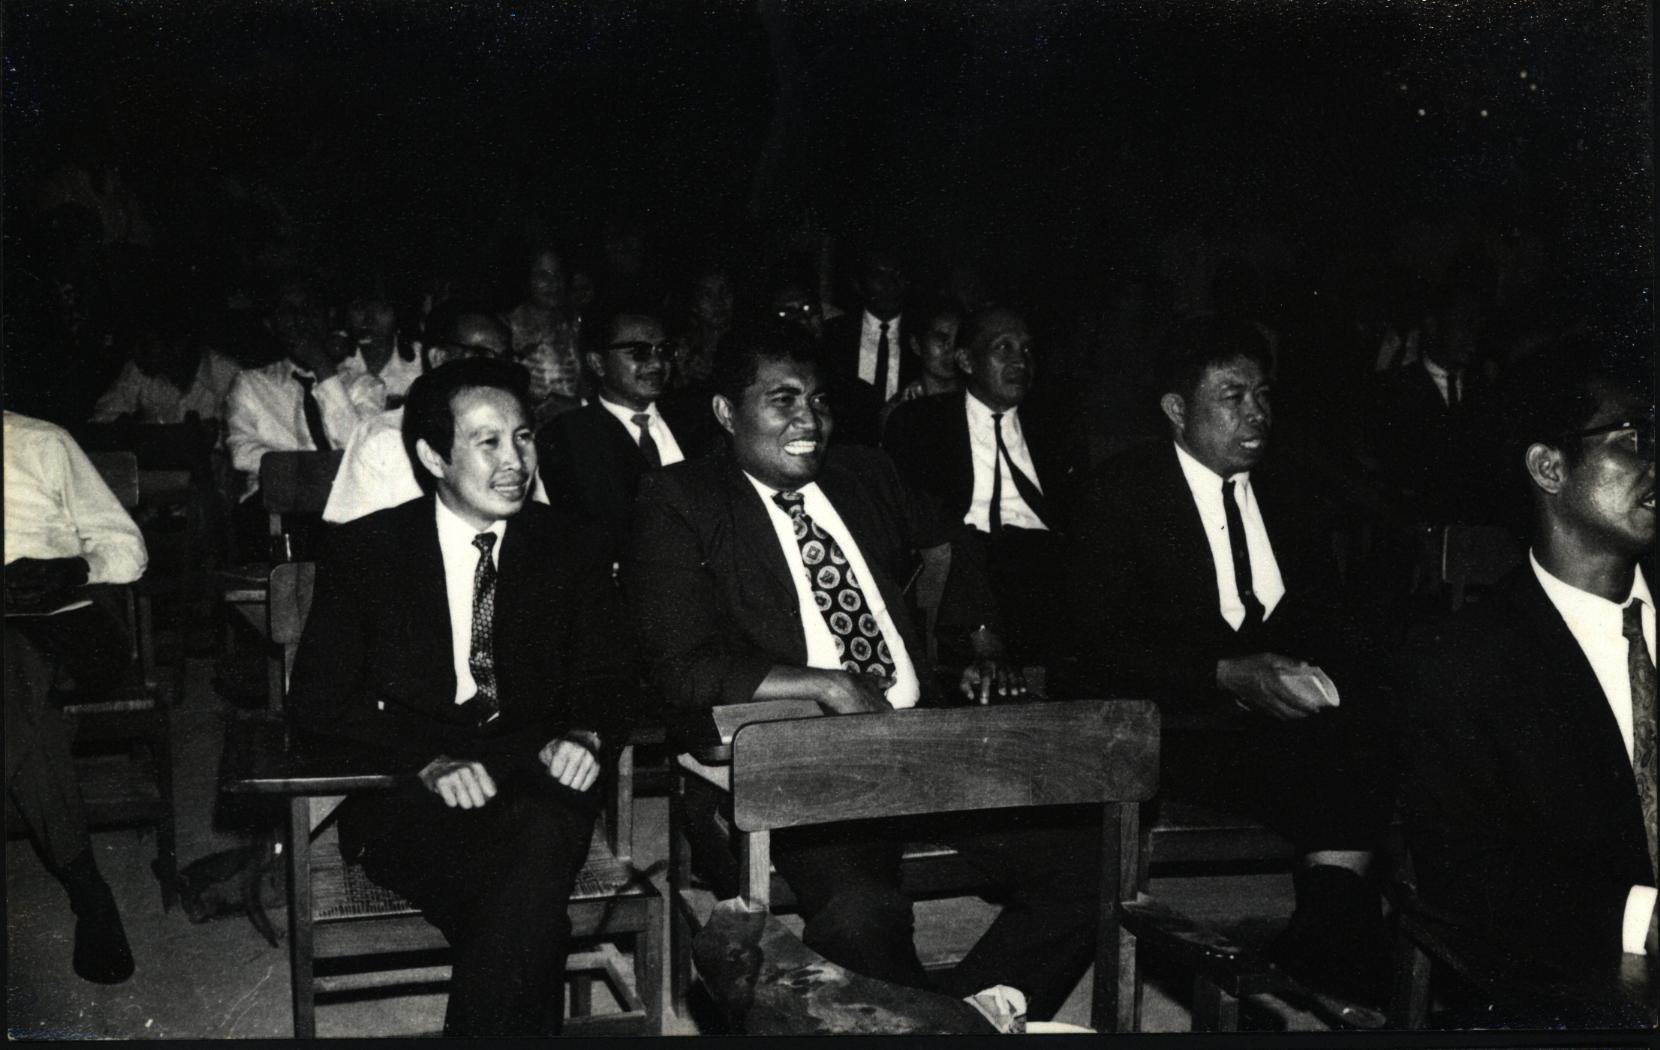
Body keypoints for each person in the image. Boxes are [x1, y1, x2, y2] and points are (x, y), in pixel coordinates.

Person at [626, 320, 1101, 1022]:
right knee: (860, 913)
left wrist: (982, 644)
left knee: (1087, 867)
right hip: (795, 759)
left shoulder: (863, 473)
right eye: (782, 400)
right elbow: (680, 668)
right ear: (727, 412)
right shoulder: (681, 499)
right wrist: (825, 682)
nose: (808, 419)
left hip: (919, 740)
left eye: (818, 401)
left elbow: (953, 542)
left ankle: (959, 1020)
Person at [287, 358, 637, 1037]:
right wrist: (426, 760)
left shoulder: (571, 544)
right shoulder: (369, 551)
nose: (515, 462)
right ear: (433, 457)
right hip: (413, 796)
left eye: (524, 437)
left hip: (540, 779)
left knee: (532, 851)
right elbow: (318, 705)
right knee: (529, 912)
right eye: (488, 442)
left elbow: (612, 674)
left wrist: (587, 733)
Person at [1065, 316, 1395, 1003]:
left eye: (1264, 395)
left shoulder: (1289, 493)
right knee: (1343, 762)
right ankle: (1337, 937)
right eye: (1233, 397)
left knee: (1371, 723)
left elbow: (1333, 620)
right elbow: (1096, 650)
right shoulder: (1123, 494)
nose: (1257, 414)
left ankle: (1325, 928)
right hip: (1176, 731)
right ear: (1177, 410)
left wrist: (1321, 677)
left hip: (1282, 733)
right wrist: (1223, 673)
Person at [1398, 340, 1656, 983]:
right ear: (1549, 468)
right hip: (1583, 981)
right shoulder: (1463, 662)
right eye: (1633, 439)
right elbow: (1465, 876)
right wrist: (1641, 919)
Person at [4, 411, 148, 985]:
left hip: (67, 622)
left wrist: (70, 569)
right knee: (22, 703)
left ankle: (87, 888)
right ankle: (89, 892)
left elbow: (128, 550)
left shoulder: (40, 443)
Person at [884, 306, 1084, 678]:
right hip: (965, 559)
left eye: (1026, 349)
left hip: (1046, 560)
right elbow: (914, 513)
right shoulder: (921, 422)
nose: (1020, 361)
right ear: (966, 360)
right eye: (1003, 348)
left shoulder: (1054, 424)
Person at [323, 304, 547, 524]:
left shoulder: (514, 438)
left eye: (504, 358)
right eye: (481, 355)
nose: (494, 368)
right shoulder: (383, 437)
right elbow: (354, 538)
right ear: (439, 358)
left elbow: (538, 524)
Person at [535, 305, 720, 564]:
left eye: (664, 351)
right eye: (639, 352)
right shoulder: (567, 438)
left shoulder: (699, 419)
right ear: (598, 363)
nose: (656, 363)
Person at [820, 246, 910, 445]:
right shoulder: (833, 334)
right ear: (858, 285)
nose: (889, 284)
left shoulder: (921, 337)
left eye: (897, 275)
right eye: (878, 275)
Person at [90, 310, 240, 426]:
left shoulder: (229, 376)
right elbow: (102, 419)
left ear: (177, 346)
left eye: (145, 345)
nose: (135, 353)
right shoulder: (137, 369)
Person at [879, 294, 961, 431]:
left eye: (959, 339)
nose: (951, 348)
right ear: (916, 345)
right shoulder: (899, 410)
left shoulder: (978, 400)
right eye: (941, 339)